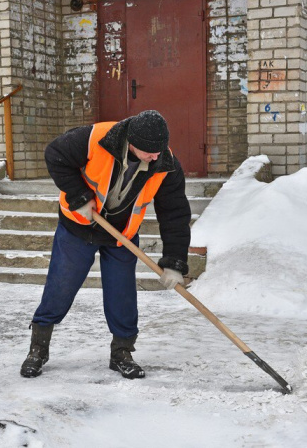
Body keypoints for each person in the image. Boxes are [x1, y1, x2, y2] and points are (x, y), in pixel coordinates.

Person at [20, 110, 191, 380]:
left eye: (160, 151)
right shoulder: (95, 138)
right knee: (60, 287)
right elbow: (55, 154)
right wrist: (79, 196)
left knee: (122, 294)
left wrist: (174, 261)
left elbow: (175, 213)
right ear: (132, 142)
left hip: (121, 235)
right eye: (150, 152)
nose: (156, 157)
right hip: (77, 227)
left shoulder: (165, 164)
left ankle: (122, 352)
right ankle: (38, 349)